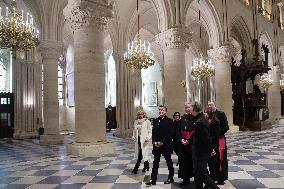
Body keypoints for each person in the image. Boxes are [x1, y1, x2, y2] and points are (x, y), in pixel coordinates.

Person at [190, 101, 220, 189]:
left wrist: (211, 150)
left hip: (201, 153)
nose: (190, 108)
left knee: (202, 175)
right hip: (198, 152)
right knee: (197, 175)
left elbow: (206, 139)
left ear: (194, 108)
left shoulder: (201, 122)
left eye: (191, 107)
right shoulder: (199, 119)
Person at [145, 105, 174, 186]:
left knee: (169, 162)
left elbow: (170, 134)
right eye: (160, 110)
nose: (160, 111)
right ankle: (153, 180)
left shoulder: (169, 121)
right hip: (156, 145)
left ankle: (171, 177)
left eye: (162, 110)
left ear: (165, 112)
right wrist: (154, 142)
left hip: (166, 145)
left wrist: (162, 142)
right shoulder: (156, 120)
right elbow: (153, 132)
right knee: (155, 163)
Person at [208, 102, 229, 185]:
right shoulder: (208, 115)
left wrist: (217, 134)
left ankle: (221, 178)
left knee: (221, 158)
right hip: (212, 140)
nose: (209, 106)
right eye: (208, 105)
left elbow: (226, 127)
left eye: (211, 105)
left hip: (220, 139)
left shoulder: (221, 114)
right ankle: (213, 177)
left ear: (215, 106)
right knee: (213, 159)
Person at [177, 102, 194, 186]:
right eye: (186, 107)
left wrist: (189, 141)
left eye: (188, 107)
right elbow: (179, 130)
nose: (187, 109)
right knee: (183, 163)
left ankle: (197, 180)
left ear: (191, 108)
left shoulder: (194, 118)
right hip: (183, 144)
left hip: (192, 144)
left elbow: (196, 131)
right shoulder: (182, 118)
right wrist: (181, 140)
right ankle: (185, 180)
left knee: (192, 162)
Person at [132, 109, 152, 174]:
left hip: (144, 140)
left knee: (141, 154)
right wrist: (133, 136)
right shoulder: (136, 121)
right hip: (138, 140)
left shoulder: (147, 121)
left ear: (144, 114)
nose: (141, 115)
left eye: (142, 114)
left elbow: (150, 131)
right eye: (139, 114)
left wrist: (148, 137)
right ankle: (147, 166)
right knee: (143, 154)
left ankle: (136, 168)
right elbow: (134, 130)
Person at [204, 109, 220, 182]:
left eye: (206, 112)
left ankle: (213, 179)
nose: (205, 114)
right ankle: (208, 179)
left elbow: (216, 135)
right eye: (204, 112)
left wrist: (208, 139)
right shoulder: (204, 121)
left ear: (209, 113)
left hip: (213, 145)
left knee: (212, 164)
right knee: (205, 164)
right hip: (206, 145)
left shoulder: (216, 122)